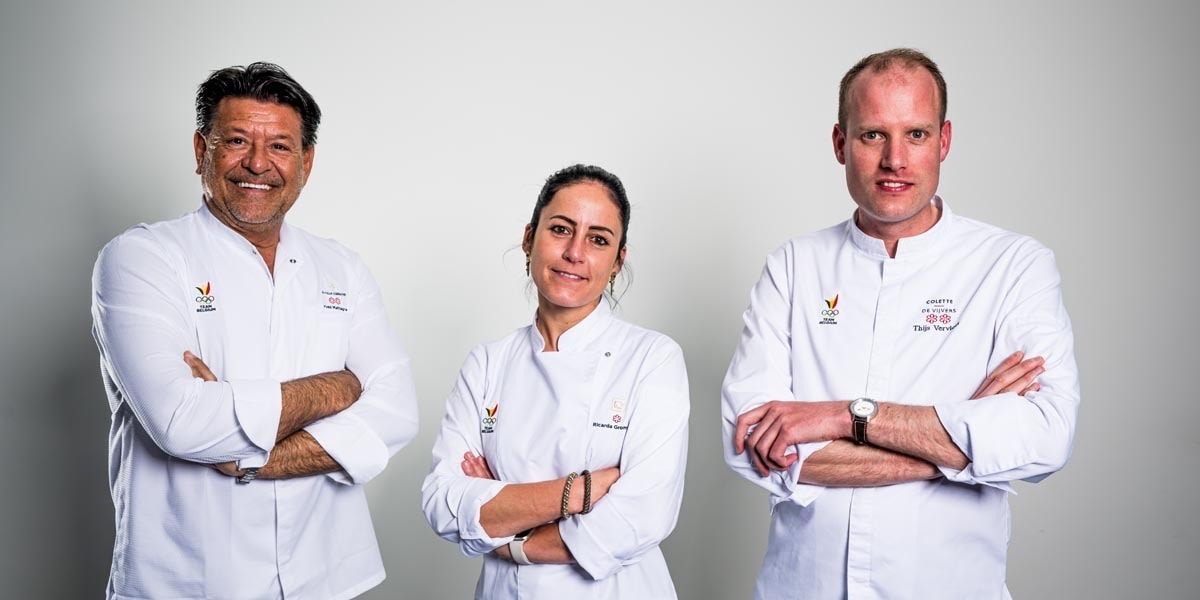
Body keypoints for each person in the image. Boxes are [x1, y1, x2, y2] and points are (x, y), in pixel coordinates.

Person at [722, 48, 1080, 599]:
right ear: (840, 143)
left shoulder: (1014, 266)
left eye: (916, 134)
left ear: (944, 140)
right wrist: (960, 448)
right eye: (872, 135)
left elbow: (1045, 437)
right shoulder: (793, 266)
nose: (895, 159)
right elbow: (751, 441)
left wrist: (841, 416)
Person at [91, 62, 419, 599]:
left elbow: (397, 410)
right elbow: (179, 422)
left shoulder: (342, 267)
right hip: (189, 582)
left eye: (280, 147)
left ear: (306, 162)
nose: (258, 163)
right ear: (202, 149)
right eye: (237, 140)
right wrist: (336, 388)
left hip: (325, 578)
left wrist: (249, 455)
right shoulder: (142, 258)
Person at [422, 165, 690, 599]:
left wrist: (511, 531)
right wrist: (580, 491)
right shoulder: (487, 363)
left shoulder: (652, 358)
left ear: (617, 261)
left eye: (598, 239)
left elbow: (642, 516)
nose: (575, 252)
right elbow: (442, 503)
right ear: (529, 239)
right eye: (561, 229)